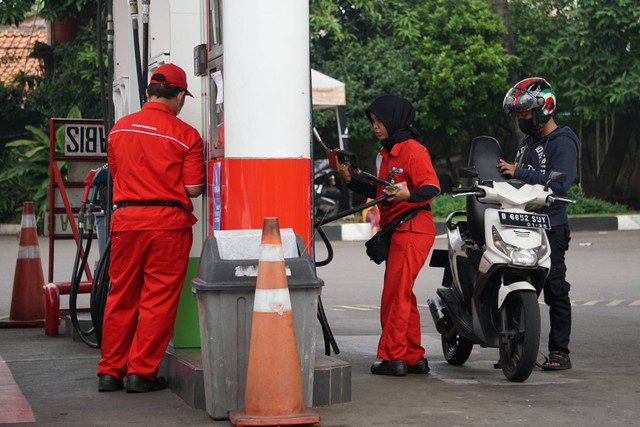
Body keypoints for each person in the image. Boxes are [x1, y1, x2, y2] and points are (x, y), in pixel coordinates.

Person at [97, 63, 205, 392]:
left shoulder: (119, 130)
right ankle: (140, 373)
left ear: (148, 93)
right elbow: (193, 190)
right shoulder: (187, 136)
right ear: (176, 96)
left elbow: (117, 174)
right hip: (167, 225)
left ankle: (109, 371)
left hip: (126, 221)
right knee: (157, 300)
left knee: (121, 296)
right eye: (182, 98)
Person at [338, 95, 440, 376]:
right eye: (373, 121)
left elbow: (432, 187)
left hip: (413, 228)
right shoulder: (385, 154)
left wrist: (409, 194)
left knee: (395, 295)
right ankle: (413, 356)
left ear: (394, 120)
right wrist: (351, 179)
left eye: (379, 121)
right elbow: (381, 194)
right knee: (403, 294)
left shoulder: (412, 150)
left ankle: (392, 357)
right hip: (397, 229)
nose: (375, 126)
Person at [498, 77, 579, 371]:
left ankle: (560, 351)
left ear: (544, 109)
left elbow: (560, 183)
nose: (522, 119)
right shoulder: (526, 142)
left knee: (555, 287)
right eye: (518, 115)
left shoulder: (563, 141)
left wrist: (519, 171)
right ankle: (515, 349)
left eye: (525, 114)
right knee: (514, 282)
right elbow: (516, 180)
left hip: (552, 224)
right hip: (522, 222)